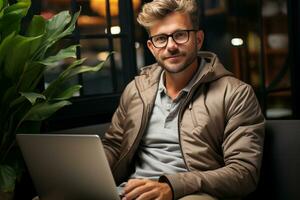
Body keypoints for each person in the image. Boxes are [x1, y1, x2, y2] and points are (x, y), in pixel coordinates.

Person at [102, 0, 265, 199]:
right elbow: (114, 146)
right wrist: (84, 172)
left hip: (193, 193)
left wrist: (172, 187)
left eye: (180, 35)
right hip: (132, 192)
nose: (171, 46)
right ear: (152, 47)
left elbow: (244, 173)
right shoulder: (136, 90)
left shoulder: (236, 94)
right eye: (161, 38)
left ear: (198, 39)